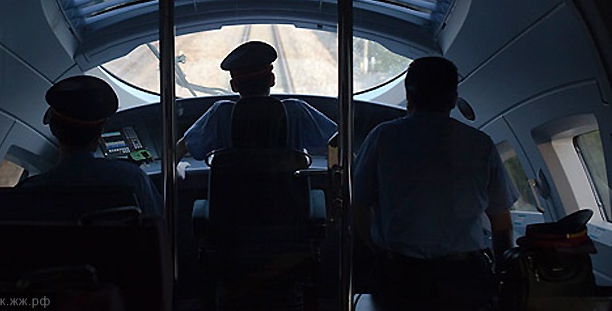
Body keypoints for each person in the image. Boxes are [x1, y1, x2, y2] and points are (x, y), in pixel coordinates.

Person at [353, 56, 518, 311]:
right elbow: (501, 223)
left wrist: (379, 251)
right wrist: (502, 274)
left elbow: (359, 206)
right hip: (464, 278)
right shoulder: (480, 144)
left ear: (409, 96)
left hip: (401, 275)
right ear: (453, 98)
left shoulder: (383, 137)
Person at [18, 75, 163, 216]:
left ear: (53, 129)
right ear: (100, 133)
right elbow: (158, 228)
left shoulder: (29, 191)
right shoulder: (132, 178)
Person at [176, 41, 337, 160]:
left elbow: (181, 148)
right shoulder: (295, 110)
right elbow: (337, 142)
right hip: (289, 204)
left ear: (234, 86)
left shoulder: (221, 113)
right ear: (272, 79)